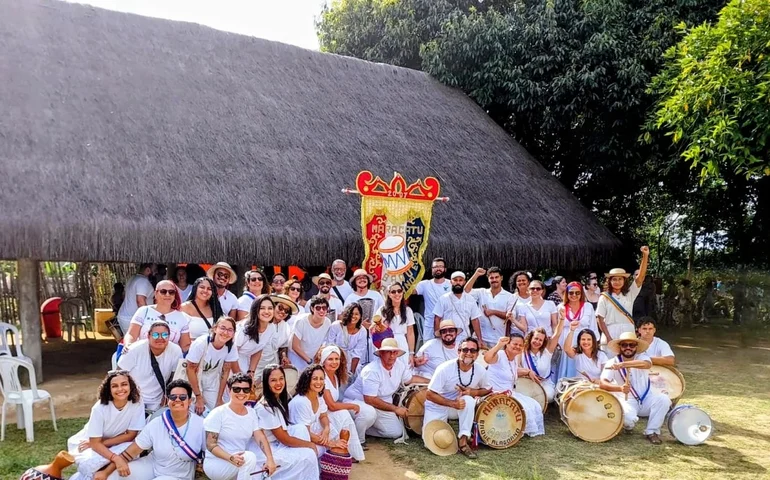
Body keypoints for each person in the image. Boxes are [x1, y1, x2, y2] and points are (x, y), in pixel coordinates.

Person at [99, 379, 205, 480]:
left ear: (189, 401)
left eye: (182, 397)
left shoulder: (201, 425)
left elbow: (210, 453)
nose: (177, 400)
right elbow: (130, 453)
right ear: (167, 400)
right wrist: (106, 472)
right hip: (152, 465)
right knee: (114, 476)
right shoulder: (156, 423)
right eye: (173, 397)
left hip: (178, 475)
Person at [67, 370, 145, 480]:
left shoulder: (137, 402)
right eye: (114, 386)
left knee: (133, 447)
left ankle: (104, 472)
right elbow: (94, 443)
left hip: (116, 441)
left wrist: (102, 443)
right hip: (88, 443)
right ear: (109, 389)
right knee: (89, 465)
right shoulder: (99, 408)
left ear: (130, 386)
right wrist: (116, 458)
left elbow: (131, 435)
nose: (120, 389)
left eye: (124, 384)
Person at [342, 338, 425, 439]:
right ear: (381, 353)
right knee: (369, 414)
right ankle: (358, 439)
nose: (392, 356)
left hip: (380, 404)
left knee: (395, 432)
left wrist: (432, 382)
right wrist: (396, 409)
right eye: (388, 352)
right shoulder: (372, 371)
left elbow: (411, 379)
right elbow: (370, 399)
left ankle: (357, 427)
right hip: (358, 402)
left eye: (394, 352)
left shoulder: (399, 365)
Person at [423, 337, 491, 459]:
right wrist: (452, 403)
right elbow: (429, 394)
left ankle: (463, 441)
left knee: (469, 401)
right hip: (437, 405)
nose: (469, 353)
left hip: (457, 407)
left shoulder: (480, 370)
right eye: (465, 350)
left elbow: (487, 389)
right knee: (430, 443)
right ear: (458, 351)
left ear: (477, 354)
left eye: (473, 350)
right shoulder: (445, 368)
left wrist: (472, 391)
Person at [600, 332, 671, 445]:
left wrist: (624, 365)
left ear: (636, 347)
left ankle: (652, 432)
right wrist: (620, 388)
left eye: (631, 345)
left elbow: (646, 364)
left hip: (646, 399)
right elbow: (603, 384)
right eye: (624, 345)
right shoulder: (612, 362)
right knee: (628, 420)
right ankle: (627, 425)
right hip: (627, 401)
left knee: (664, 399)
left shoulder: (642, 357)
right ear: (620, 347)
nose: (628, 347)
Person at [203, 374, 277, 480]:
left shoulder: (252, 413)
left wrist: (270, 459)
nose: (241, 393)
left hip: (240, 462)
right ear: (229, 390)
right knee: (250, 457)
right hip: (218, 463)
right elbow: (211, 445)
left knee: (265, 477)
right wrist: (230, 457)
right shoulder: (218, 413)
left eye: (246, 390)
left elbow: (260, 437)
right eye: (237, 389)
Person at [254, 365, 321, 479]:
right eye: (273, 380)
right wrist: (310, 445)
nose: (279, 383)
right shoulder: (266, 406)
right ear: (266, 383)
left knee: (301, 429)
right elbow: (284, 439)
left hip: (276, 442)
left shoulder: (277, 398)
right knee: (309, 454)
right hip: (267, 449)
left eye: (281, 379)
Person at [483, 335, 545, 437]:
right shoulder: (500, 354)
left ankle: (519, 429)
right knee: (524, 408)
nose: (517, 346)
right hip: (495, 394)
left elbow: (512, 371)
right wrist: (499, 344)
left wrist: (528, 371)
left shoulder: (514, 359)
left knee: (534, 405)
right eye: (515, 344)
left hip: (510, 394)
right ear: (507, 344)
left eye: (520, 345)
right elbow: (487, 359)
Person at [117, 320, 182, 413]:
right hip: (132, 400)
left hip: (157, 402)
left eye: (164, 335)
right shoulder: (134, 349)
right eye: (155, 335)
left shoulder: (176, 350)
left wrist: (168, 395)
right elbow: (118, 374)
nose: (160, 338)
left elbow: (174, 376)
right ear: (148, 336)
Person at [317, 346, 367, 461]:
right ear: (323, 361)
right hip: (320, 414)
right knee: (344, 414)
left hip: (327, 411)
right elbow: (332, 405)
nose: (334, 362)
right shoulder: (322, 377)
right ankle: (345, 450)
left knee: (344, 414)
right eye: (330, 359)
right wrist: (352, 406)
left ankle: (347, 450)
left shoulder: (334, 376)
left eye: (336, 359)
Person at [288, 365, 349, 457]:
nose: (318, 382)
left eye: (321, 379)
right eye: (315, 379)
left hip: (313, 432)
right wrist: (330, 443)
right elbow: (305, 433)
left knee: (335, 427)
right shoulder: (301, 402)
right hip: (300, 438)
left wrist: (326, 429)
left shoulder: (318, 396)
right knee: (319, 451)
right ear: (307, 380)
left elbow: (323, 416)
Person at [596, 246, 650, 346]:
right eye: (614, 279)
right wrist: (608, 337)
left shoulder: (630, 294)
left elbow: (640, 278)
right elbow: (600, 319)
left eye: (620, 279)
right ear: (610, 281)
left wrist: (645, 256)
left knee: (627, 358)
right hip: (610, 330)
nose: (617, 282)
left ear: (624, 281)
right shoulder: (604, 297)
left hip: (627, 331)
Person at [187, 316, 240, 414]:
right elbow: (190, 370)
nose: (225, 333)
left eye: (230, 330)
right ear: (215, 329)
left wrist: (219, 399)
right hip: (193, 382)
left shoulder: (231, 347)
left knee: (216, 411)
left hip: (212, 383)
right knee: (194, 412)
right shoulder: (201, 343)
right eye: (222, 328)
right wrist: (199, 397)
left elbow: (225, 373)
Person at [122, 280, 191, 353]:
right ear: (155, 294)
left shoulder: (181, 317)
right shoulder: (143, 311)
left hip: (171, 360)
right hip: (143, 355)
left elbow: (185, 346)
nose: (167, 294)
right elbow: (131, 334)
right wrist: (128, 345)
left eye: (171, 292)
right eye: (163, 291)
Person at [554, 281, 598, 383]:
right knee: (567, 366)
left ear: (581, 294)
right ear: (567, 293)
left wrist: (593, 344)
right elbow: (557, 326)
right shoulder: (561, 307)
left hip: (584, 342)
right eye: (571, 293)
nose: (574, 295)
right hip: (566, 341)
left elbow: (593, 326)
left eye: (577, 293)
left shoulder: (588, 307)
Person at [464, 267, 516, 348]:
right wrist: (476, 274)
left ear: (501, 278)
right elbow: (466, 291)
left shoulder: (510, 296)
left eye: (496, 277)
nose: (494, 279)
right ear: (488, 279)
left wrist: (493, 312)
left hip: (498, 340)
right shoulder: (482, 292)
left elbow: (510, 317)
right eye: (491, 278)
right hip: (481, 339)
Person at [235, 294, 278, 381]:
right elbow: (232, 353)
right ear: (255, 310)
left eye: (270, 308)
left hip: (246, 364)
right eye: (262, 308)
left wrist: (251, 372)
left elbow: (258, 349)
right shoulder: (244, 328)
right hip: (232, 364)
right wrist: (238, 376)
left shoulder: (271, 328)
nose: (266, 311)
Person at [516, 323, 563, 403]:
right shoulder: (522, 351)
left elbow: (557, 334)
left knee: (548, 396)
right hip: (527, 382)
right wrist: (528, 372)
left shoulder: (548, 351)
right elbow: (515, 369)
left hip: (544, 383)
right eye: (536, 338)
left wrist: (561, 319)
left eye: (540, 340)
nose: (537, 342)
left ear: (543, 342)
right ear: (531, 338)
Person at [373, 282, 417, 367]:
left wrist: (411, 353)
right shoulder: (382, 310)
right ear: (389, 294)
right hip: (387, 342)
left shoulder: (408, 311)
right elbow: (374, 327)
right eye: (393, 292)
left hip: (402, 343)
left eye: (399, 291)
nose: (397, 294)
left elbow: (410, 333)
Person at [433, 271, 483, 344]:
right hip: (448, 337)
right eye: (455, 280)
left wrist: (479, 339)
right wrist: (438, 337)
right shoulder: (443, 299)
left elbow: (475, 320)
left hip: (465, 338)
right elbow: (437, 319)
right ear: (451, 282)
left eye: (460, 280)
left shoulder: (470, 299)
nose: (458, 283)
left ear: (464, 282)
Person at [288, 295, 332, 370]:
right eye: (318, 308)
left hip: (312, 360)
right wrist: (309, 361)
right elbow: (295, 346)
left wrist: (315, 361)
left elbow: (322, 344)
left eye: (324, 308)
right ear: (312, 308)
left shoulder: (328, 322)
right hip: (296, 357)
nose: (321, 310)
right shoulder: (301, 321)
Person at [415, 257, 451, 343]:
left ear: (445, 269)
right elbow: (409, 292)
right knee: (428, 353)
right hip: (430, 325)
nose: (438, 268)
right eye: (435, 267)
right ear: (431, 269)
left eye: (440, 266)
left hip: (447, 324)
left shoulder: (451, 284)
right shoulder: (424, 284)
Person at [325, 302, 368, 375]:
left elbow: (357, 354)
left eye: (356, 314)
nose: (353, 316)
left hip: (352, 363)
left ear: (360, 316)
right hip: (335, 361)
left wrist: (351, 373)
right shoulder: (336, 326)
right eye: (351, 313)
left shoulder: (362, 331)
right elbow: (329, 347)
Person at [116, 263, 155, 335]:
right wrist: (148, 317)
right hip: (132, 318)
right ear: (148, 270)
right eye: (155, 270)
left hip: (127, 316)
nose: (156, 273)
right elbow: (140, 301)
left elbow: (124, 295)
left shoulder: (132, 278)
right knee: (135, 342)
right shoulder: (143, 281)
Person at [270, 294, 299, 367]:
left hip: (273, 364)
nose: (283, 311)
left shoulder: (286, 327)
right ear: (273, 306)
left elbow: (283, 346)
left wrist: (283, 356)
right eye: (280, 308)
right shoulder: (264, 322)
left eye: (286, 310)